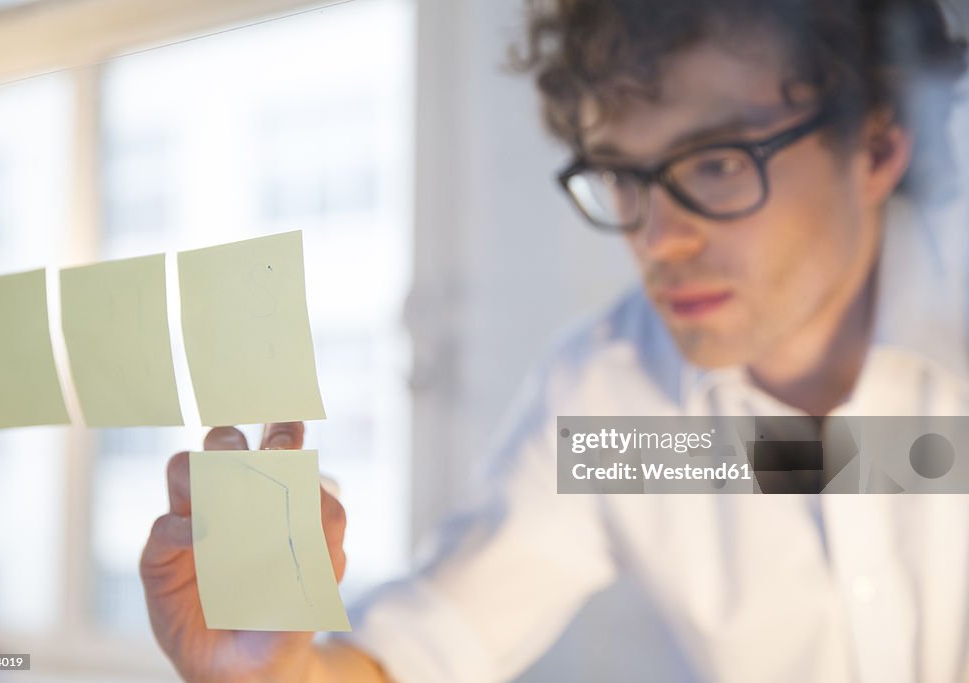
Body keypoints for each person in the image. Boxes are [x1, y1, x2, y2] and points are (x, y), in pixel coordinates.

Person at [140, 0, 969, 680]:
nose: (659, 238)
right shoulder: (614, 399)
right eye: (622, 174)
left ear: (877, 144)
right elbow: (434, 641)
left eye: (715, 162)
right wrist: (272, 674)